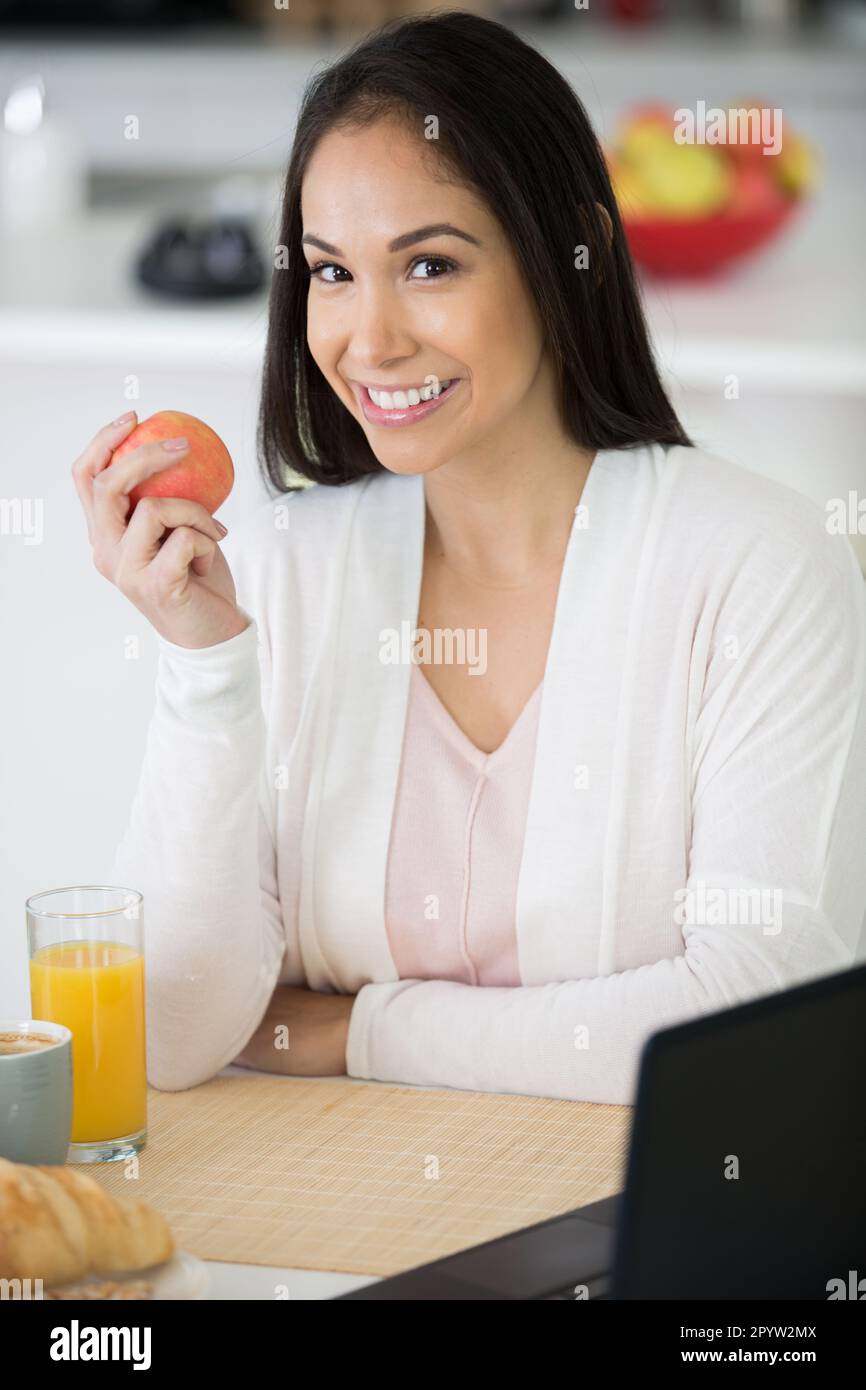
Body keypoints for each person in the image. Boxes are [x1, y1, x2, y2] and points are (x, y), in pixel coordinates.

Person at [72, 12, 866, 1106]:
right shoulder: (280, 575)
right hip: (316, 1243)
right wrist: (205, 668)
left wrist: (353, 1028)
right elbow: (168, 1033)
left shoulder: (759, 573)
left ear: (567, 259)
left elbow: (743, 1019)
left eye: (430, 264)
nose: (371, 338)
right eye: (332, 273)